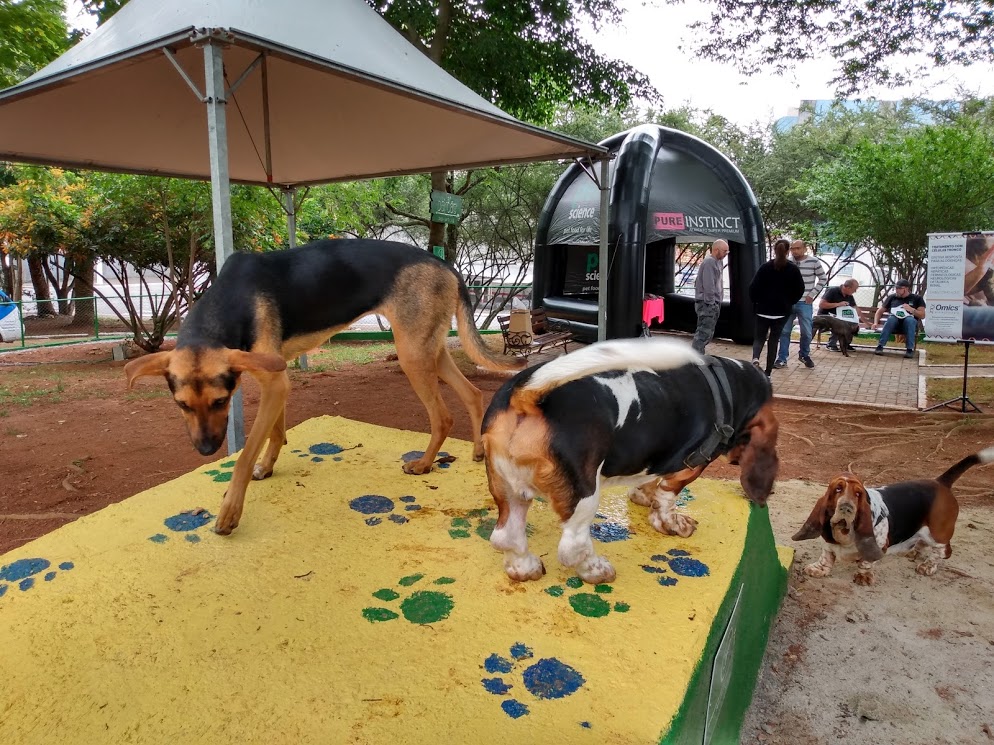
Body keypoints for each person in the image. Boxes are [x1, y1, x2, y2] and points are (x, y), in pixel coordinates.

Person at [749, 239, 805, 376]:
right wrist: (789, 302)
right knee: (773, 340)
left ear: (775, 250)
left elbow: (753, 288)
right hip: (781, 311)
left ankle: (755, 358)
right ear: (787, 251)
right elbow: (800, 289)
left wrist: (756, 302)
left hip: (763, 310)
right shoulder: (793, 269)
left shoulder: (765, 267)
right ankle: (768, 373)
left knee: (759, 337)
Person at [774, 240, 826, 370]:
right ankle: (782, 359)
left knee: (807, 332)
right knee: (785, 331)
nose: (795, 251)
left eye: (797, 248)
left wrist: (812, 294)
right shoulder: (788, 262)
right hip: (789, 302)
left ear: (804, 248)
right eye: (792, 249)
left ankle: (804, 355)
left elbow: (823, 278)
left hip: (805, 302)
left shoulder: (814, 262)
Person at [692, 239, 728, 353]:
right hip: (707, 303)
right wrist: (711, 302)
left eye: (727, 251)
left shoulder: (718, 262)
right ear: (716, 250)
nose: (726, 254)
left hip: (713, 303)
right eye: (724, 251)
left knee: (708, 332)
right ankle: (696, 357)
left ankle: (698, 354)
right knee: (703, 332)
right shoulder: (709, 262)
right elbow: (709, 285)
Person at [873, 279, 925, 358]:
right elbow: (879, 311)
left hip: (908, 325)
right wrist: (875, 323)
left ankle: (909, 350)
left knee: (910, 320)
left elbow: (922, 315)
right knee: (891, 319)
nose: (897, 290)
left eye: (899, 288)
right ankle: (880, 346)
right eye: (896, 288)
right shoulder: (892, 297)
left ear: (906, 289)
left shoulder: (917, 298)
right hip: (894, 324)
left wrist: (912, 310)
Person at [818, 278, 860, 350]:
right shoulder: (832, 291)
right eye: (854, 289)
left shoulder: (849, 296)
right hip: (825, 316)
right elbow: (822, 304)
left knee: (852, 324)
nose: (855, 291)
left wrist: (866, 322)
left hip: (839, 317)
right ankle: (831, 344)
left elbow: (856, 309)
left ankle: (845, 344)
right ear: (848, 287)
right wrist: (838, 304)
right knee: (839, 323)